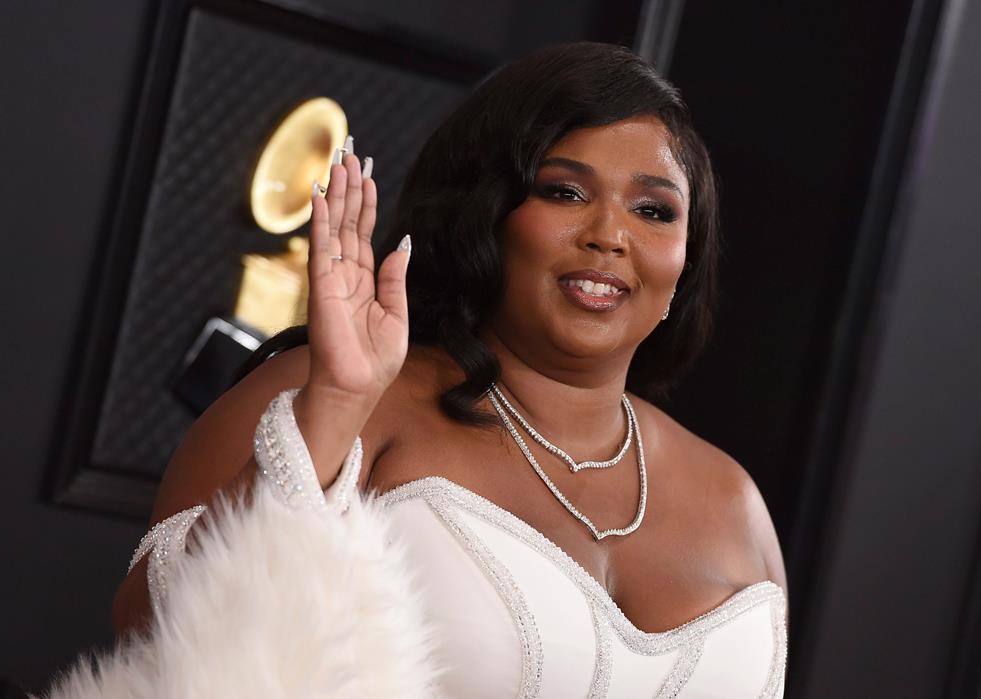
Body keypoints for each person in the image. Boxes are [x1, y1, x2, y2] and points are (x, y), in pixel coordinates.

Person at [105, 41, 788, 697]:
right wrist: (334, 404)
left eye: (652, 209)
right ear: (484, 214)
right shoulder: (338, 393)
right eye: (564, 192)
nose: (610, 234)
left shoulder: (734, 500)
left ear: (685, 261)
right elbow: (151, 637)